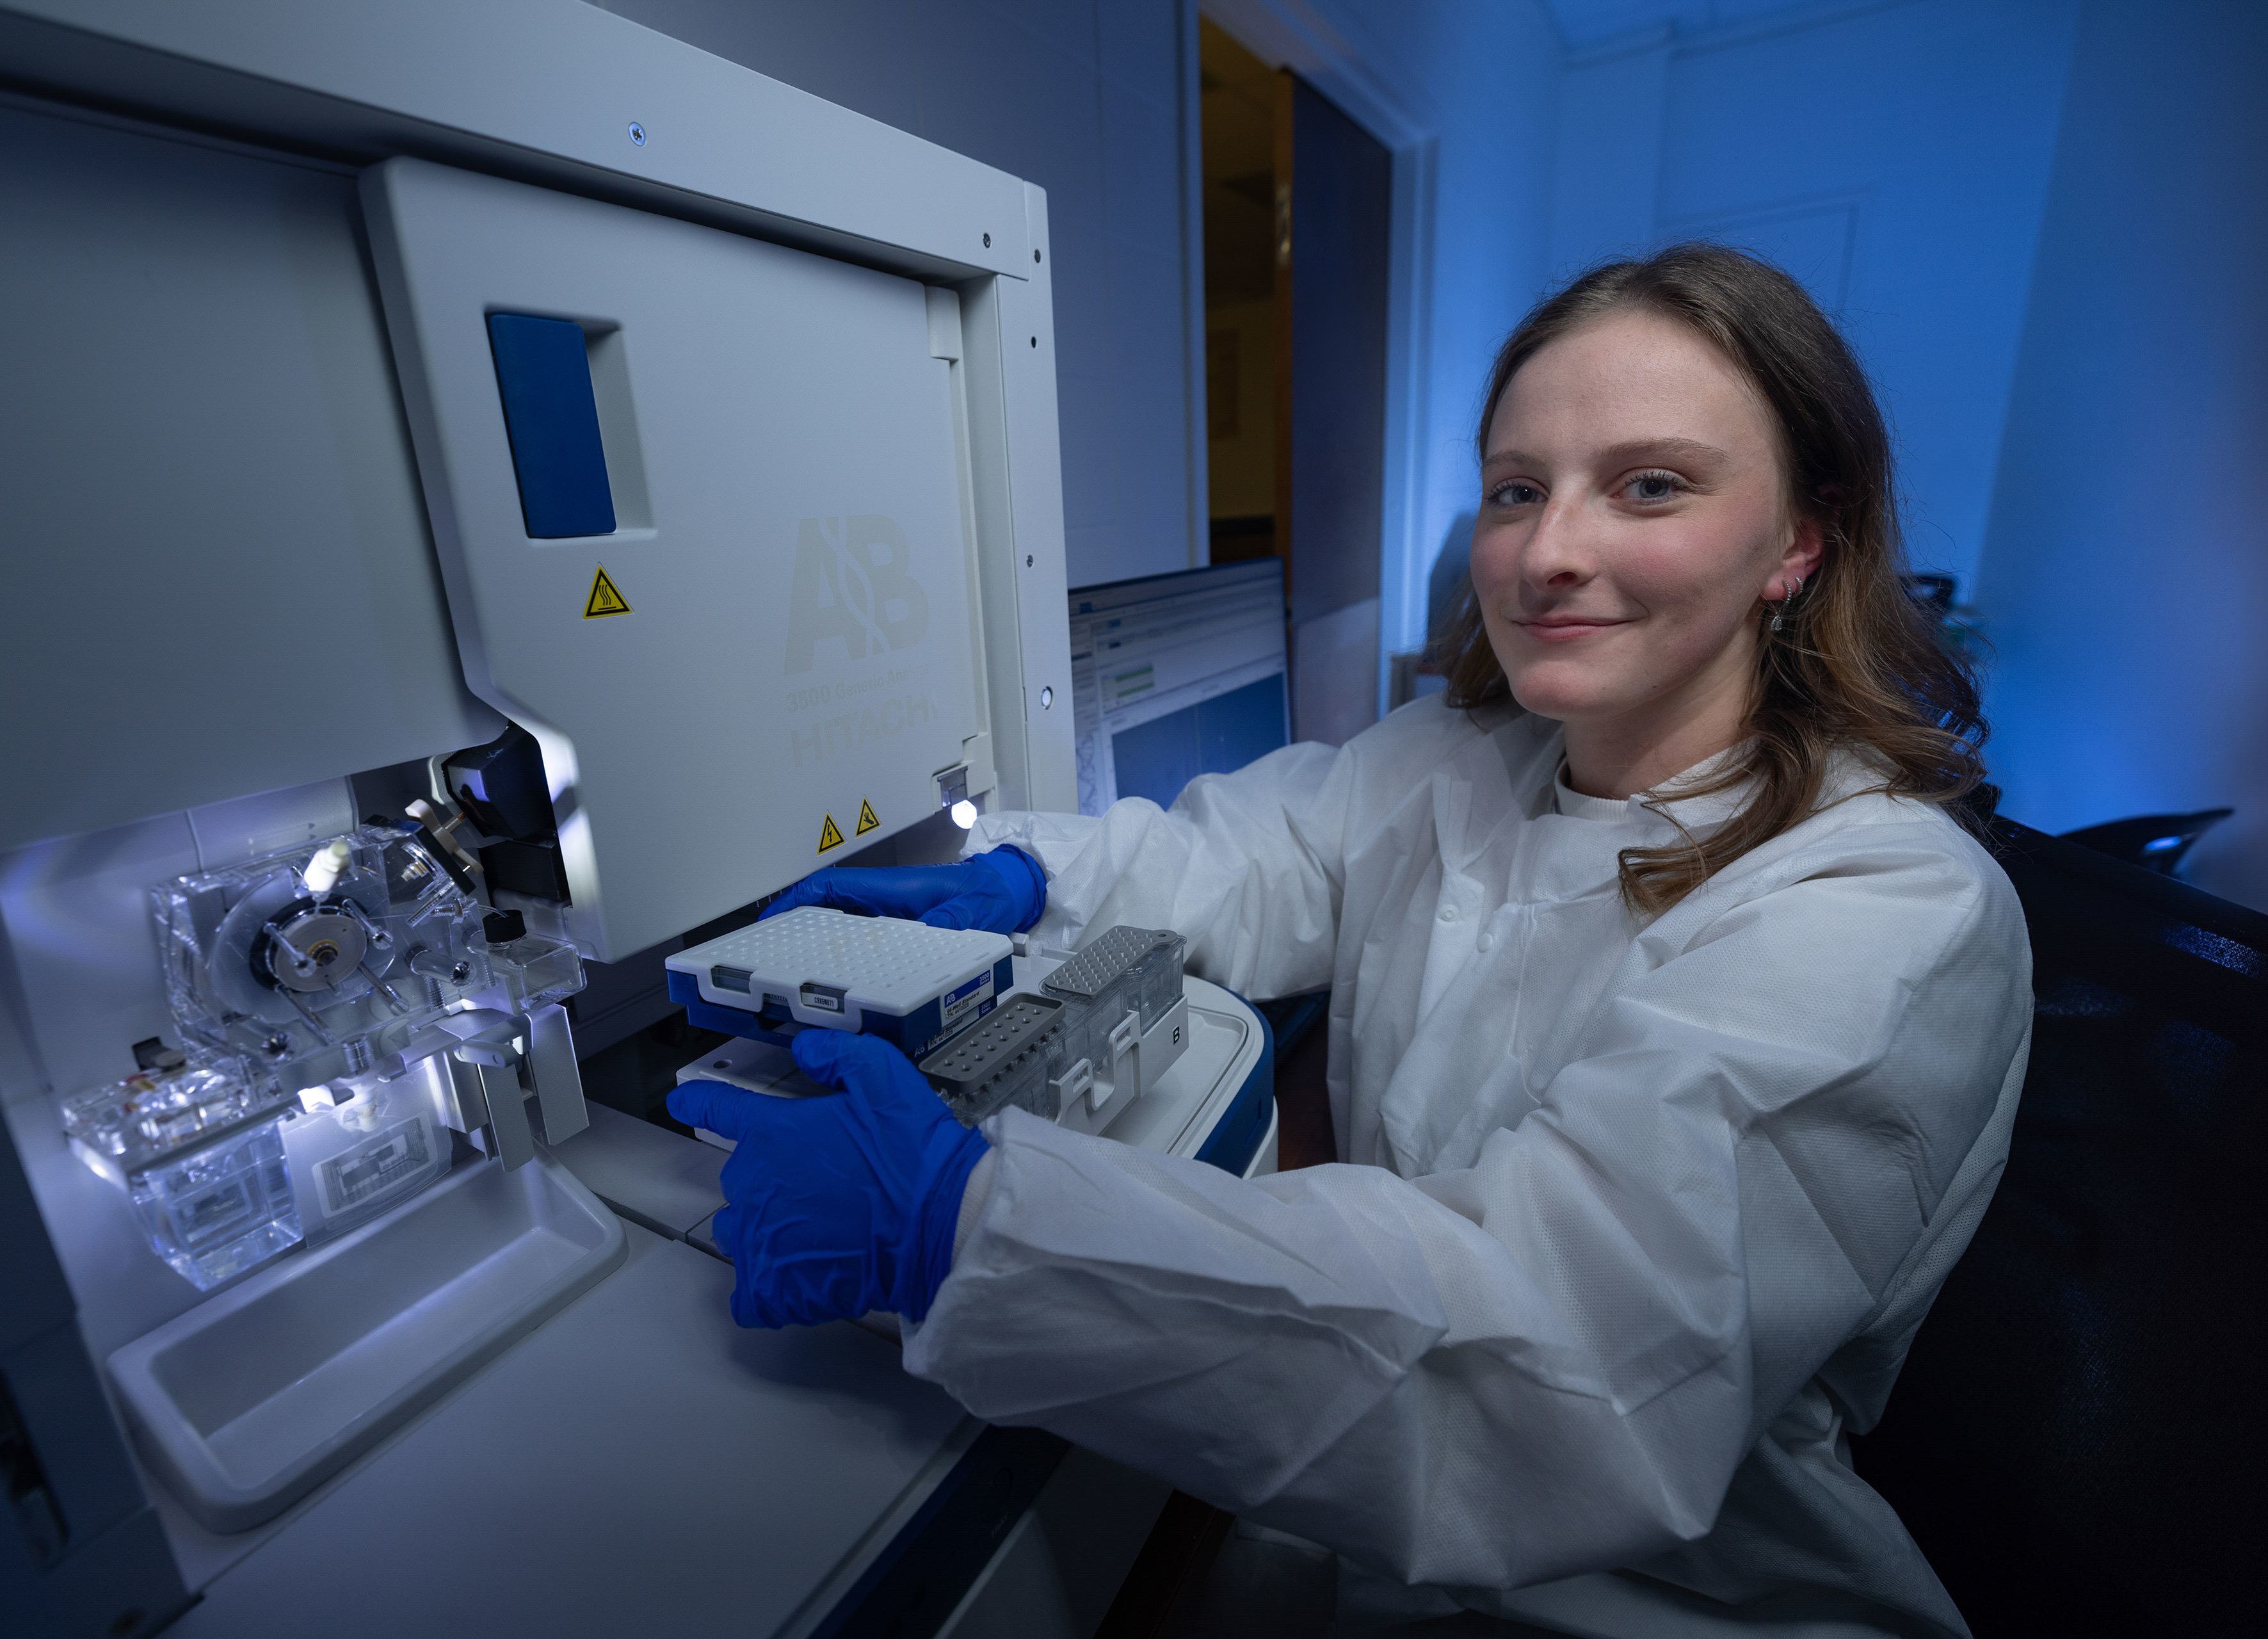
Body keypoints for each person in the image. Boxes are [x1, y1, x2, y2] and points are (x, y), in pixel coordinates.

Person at [670, 245, 2032, 1637]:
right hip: (1362, 1541)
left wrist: (962, 1226)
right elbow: (1262, 850)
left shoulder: (1884, 904)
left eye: (1651, 484)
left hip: (1665, 1594)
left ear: (1801, 537)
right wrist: (1028, 875)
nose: (1549, 550)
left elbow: (1568, 1348)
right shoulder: (1467, 756)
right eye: (1517, 488)